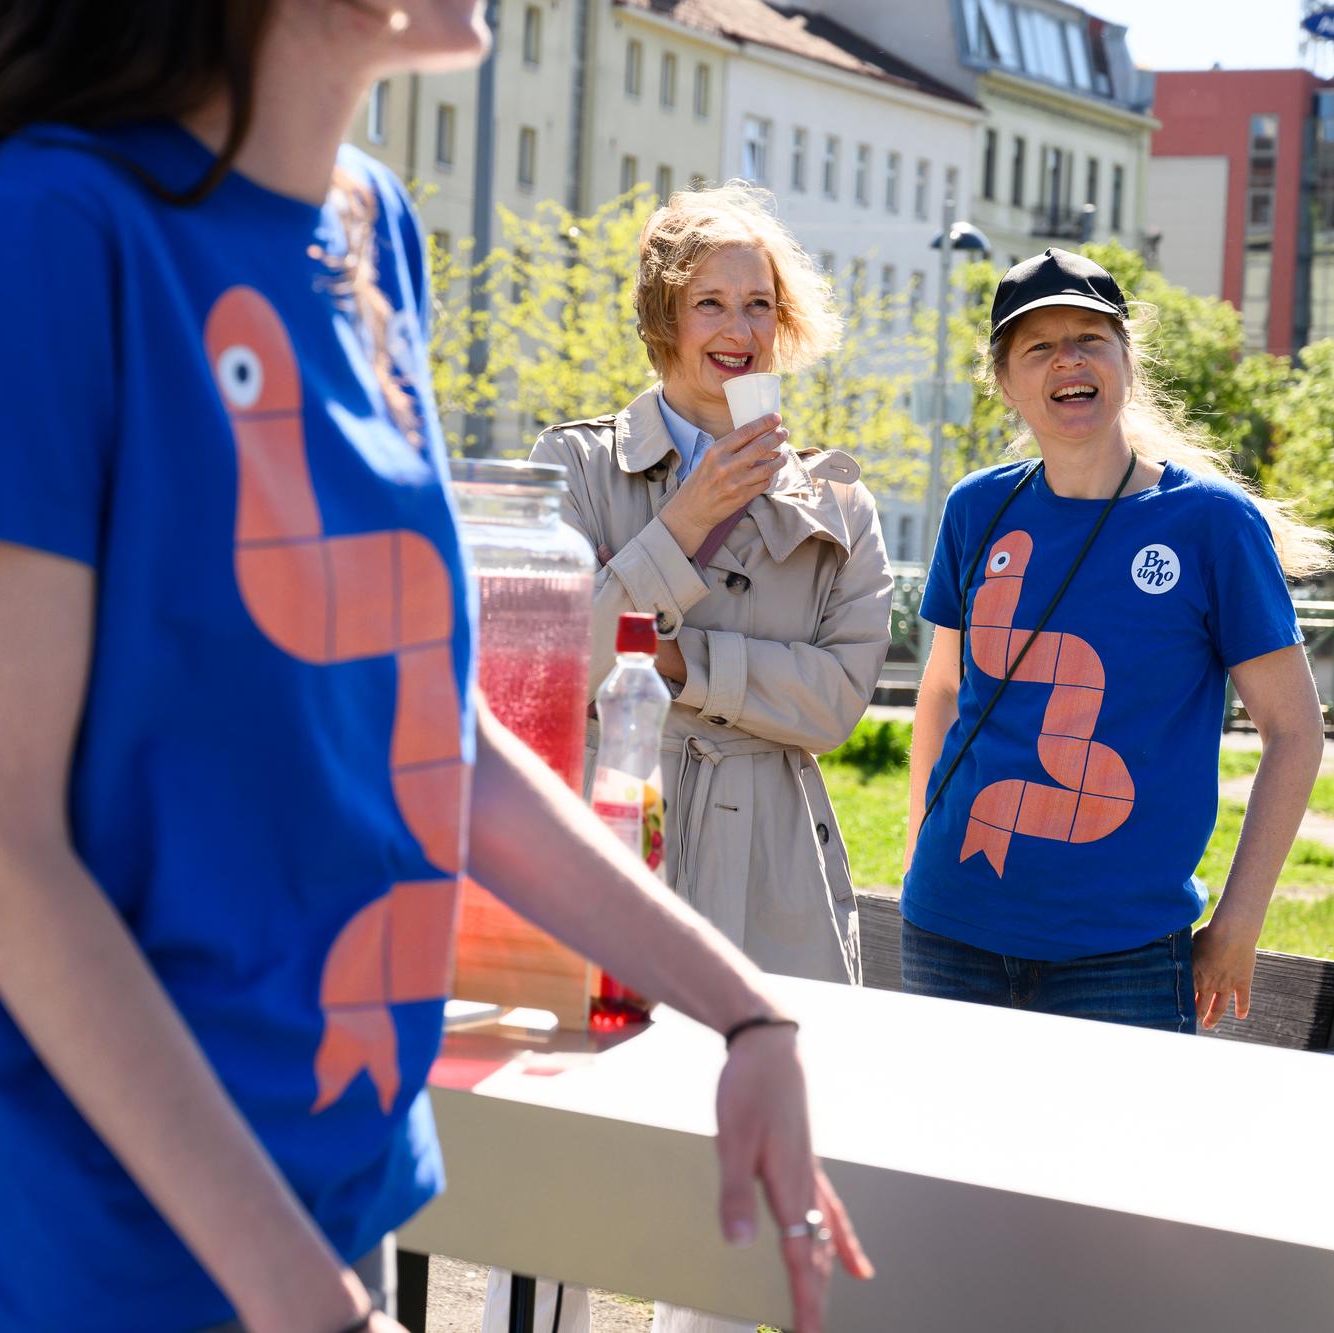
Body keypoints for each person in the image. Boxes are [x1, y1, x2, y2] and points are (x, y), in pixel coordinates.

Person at [0, 4, 869, 1331]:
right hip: (81, 1217)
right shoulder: (51, 228)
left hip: (320, 1156)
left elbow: (430, 734)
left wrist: (746, 1018)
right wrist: (309, 1303)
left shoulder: (370, 229)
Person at [501, 186, 891, 1333]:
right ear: (662, 315)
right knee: (560, 1181)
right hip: (608, 837)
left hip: (769, 862)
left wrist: (682, 661)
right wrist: (678, 527)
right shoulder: (573, 465)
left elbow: (835, 698)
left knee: (728, 1229)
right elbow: (544, 660)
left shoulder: (836, 498)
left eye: (758, 304)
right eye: (710, 300)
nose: (737, 327)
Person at [902, 248, 1329, 1035]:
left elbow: (1295, 730)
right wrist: (914, 857)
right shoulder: (975, 509)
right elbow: (941, 692)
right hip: (950, 926)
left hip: (1122, 951)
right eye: (1039, 346)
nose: (1068, 360)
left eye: (1090, 339)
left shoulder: (1212, 524)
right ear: (1005, 381)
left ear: (1127, 361)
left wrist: (1239, 923)